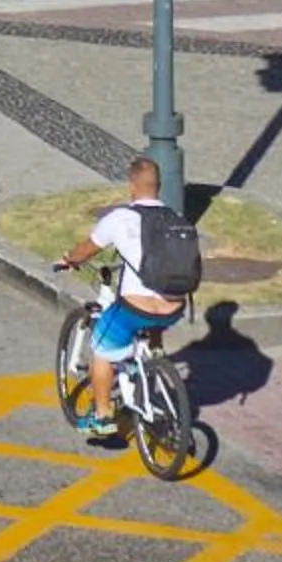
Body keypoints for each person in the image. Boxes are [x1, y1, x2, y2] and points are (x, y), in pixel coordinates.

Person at [53, 158, 192, 446]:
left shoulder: (120, 219)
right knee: (152, 319)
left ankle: (103, 415)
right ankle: (153, 353)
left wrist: (68, 260)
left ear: (131, 186)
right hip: (174, 308)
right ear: (158, 187)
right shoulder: (177, 218)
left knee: (102, 348)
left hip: (135, 308)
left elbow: (86, 249)